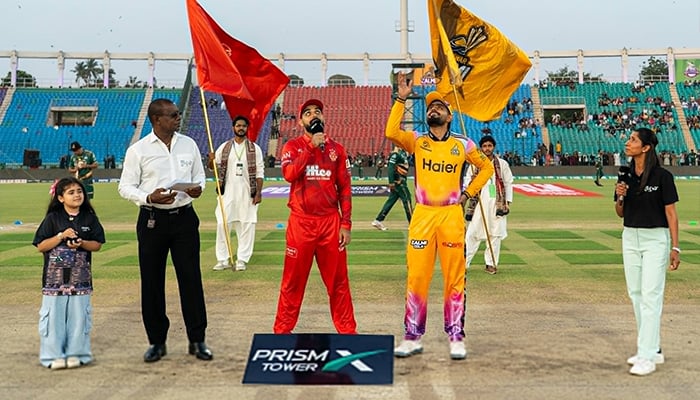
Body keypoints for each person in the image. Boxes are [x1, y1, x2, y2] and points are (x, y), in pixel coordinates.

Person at [387, 73, 494, 360]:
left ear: (449, 116)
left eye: (439, 107)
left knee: (454, 278)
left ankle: (456, 335)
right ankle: (412, 336)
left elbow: (486, 169)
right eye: (430, 107)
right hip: (422, 216)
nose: (433, 110)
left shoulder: (463, 144)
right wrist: (401, 98)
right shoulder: (418, 141)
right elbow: (391, 132)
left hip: (450, 216)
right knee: (417, 277)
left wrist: (469, 193)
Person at [118, 98, 213, 363]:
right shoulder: (138, 150)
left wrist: (196, 189)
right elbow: (125, 187)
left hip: (184, 219)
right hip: (152, 222)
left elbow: (200, 178)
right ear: (156, 119)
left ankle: (197, 340)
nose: (178, 118)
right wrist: (149, 197)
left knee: (191, 279)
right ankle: (157, 342)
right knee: (152, 282)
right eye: (173, 115)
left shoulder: (189, 144)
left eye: (178, 114)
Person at [273, 98, 357, 335]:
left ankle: (348, 332)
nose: (313, 115)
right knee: (292, 282)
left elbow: (345, 189)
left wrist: (346, 224)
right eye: (308, 113)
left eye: (317, 111)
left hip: (330, 223)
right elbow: (289, 174)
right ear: (301, 121)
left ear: (324, 117)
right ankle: (282, 332)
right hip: (301, 223)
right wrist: (311, 147)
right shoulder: (292, 146)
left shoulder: (337, 150)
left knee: (339, 282)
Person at [614, 127, 680, 376]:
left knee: (651, 296)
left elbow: (671, 213)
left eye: (632, 140)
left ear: (645, 147)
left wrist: (675, 246)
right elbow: (620, 212)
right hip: (630, 236)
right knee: (637, 294)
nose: (627, 142)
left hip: (655, 238)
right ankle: (655, 348)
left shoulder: (663, 176)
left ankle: (646, 355)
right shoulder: (625, 174)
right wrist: (620, 197)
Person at [33, 177, 105, 370]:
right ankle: (53, 355)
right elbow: (41, 246)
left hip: (80, 280)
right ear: (61, 197)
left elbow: (97, 245)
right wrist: (61, 236)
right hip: (54, 280)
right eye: (71, 192)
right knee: (53, 317)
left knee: (79, 317)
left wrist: (81, 243)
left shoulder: (89, 218)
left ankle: (77, 353)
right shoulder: (52, 219)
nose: (77, 195)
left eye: (79, 191)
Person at [207, 115, 264, 271]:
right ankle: (222, 259)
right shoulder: (224, 147)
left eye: (243, 126)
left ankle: (242, 259)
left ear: (247, 128)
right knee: (223, 224)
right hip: (227, 193)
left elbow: (260, 173)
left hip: (248, 193)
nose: (241, 128)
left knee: (246, 225)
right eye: (238, 125)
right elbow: (212, 167)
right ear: (233, 128)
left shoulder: (254, 149)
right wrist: (211, 159)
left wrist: (258, 192)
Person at [464, 136, 514, 275]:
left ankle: (491, 264)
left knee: (495, 235)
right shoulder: (474, 164)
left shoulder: (502, 164)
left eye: (489, 145)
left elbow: (508, 182)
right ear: (481, 148)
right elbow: (467, 181)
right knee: (471, 234)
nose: (487, 148)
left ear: (493, 147)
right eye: (484, 146)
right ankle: (463, 264)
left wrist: (507, 202)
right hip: (478, 204)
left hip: (496, 204)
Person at [371, 146, 413, 231]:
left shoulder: (403, 153)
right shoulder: (395, 154)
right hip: (399, 182)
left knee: (391, 201)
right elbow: (390, 167)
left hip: (401, 181)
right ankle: (412, 224)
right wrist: (391, 182)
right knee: (407, 200)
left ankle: (378, 220)